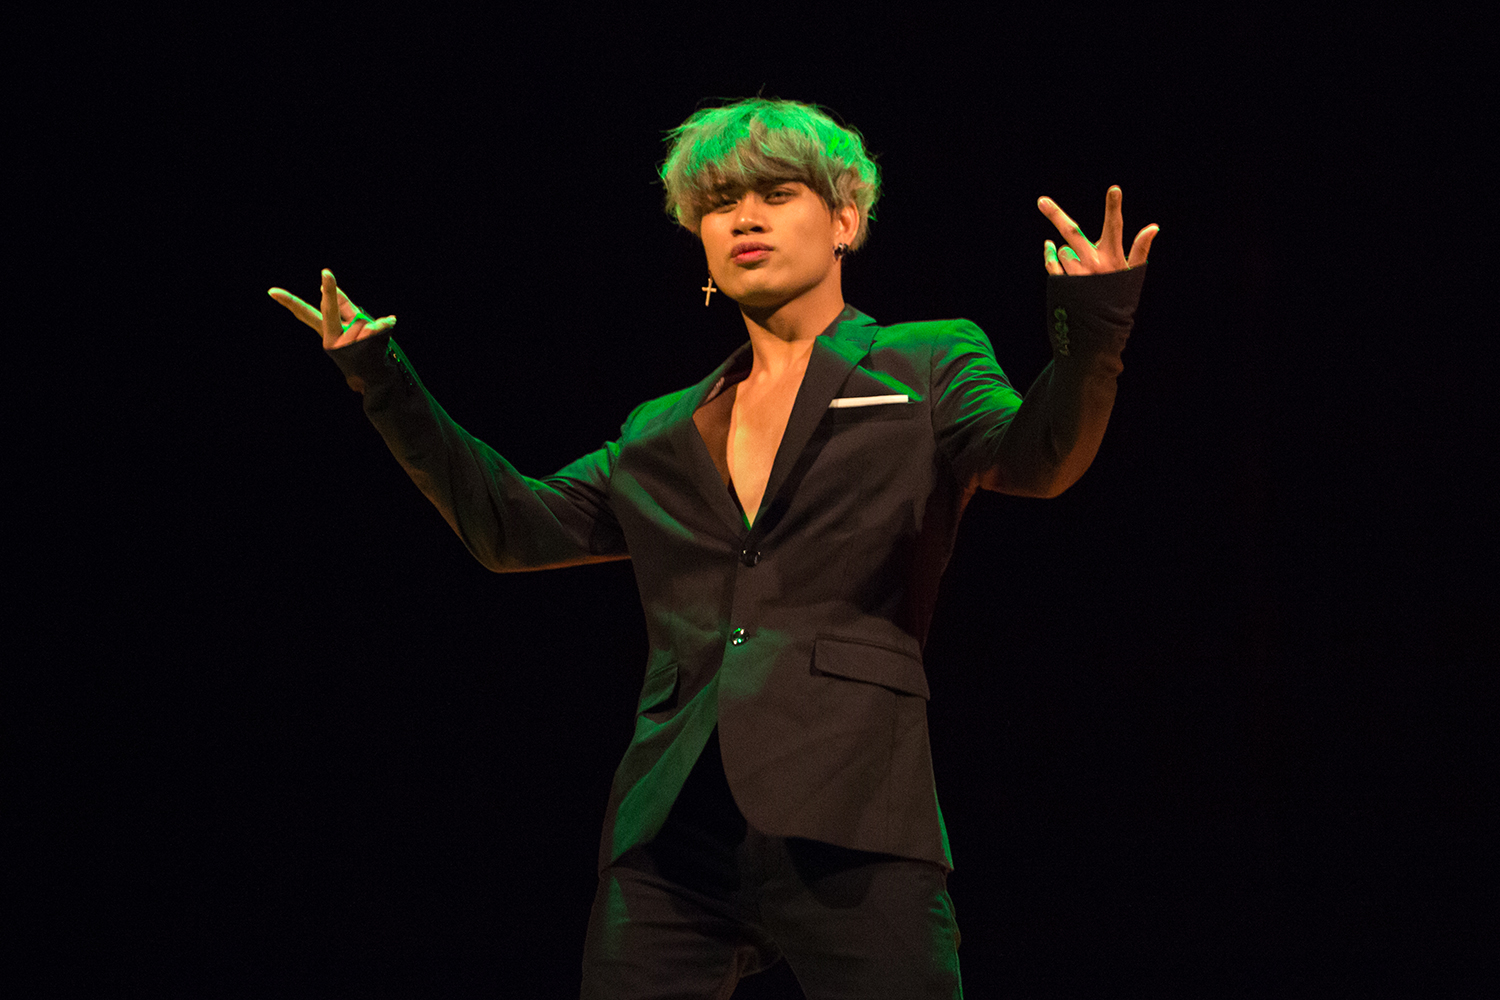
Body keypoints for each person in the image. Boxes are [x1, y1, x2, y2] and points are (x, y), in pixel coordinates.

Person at [270, 98, 1156, 999]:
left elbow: (1038, 459)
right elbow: (511, 529)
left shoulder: (923, 362)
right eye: (720, 203)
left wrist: (1095, 324)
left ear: (845, 221)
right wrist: (384, 381)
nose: (744, 218)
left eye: (776, 193)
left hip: (853, 808)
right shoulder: (662, 430)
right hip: (672, 829)